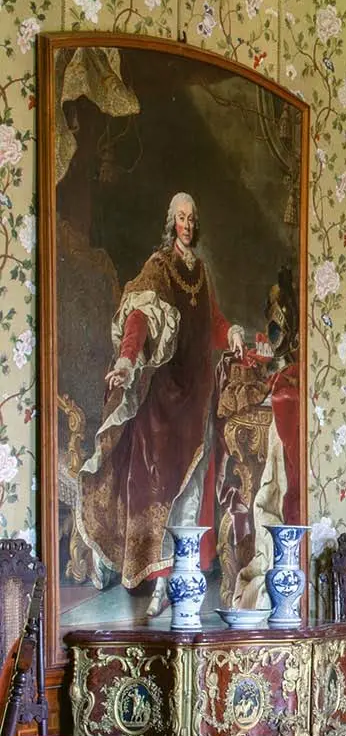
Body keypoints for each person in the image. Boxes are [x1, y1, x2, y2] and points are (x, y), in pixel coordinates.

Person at [75, 192, 245, 616]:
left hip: (197, 395)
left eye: (192, 218)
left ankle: (181, 580)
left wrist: (233, 335)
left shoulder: (201, 271)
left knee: (190, 489)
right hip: (163, 399)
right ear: (171, 222)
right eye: (181, 218)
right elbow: (139, 320)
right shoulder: (159, 267)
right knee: (157, 486)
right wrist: (127, 359)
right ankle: (156, 584)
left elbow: (214, 323)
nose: (187, 224)